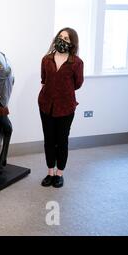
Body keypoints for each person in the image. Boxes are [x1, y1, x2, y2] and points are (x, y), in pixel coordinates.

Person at [38, 27, 84, 188]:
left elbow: (77, 84)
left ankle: (59, 174)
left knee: (62, 141)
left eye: (66, 38)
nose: (62, 40)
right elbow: (44, 79)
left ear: (72, 43)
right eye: (60, 36)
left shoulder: (77, 63)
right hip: (46, 105)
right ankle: (50, 172)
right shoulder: (46, 59)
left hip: (66, 107)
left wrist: (63, 91)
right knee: (49, 140)